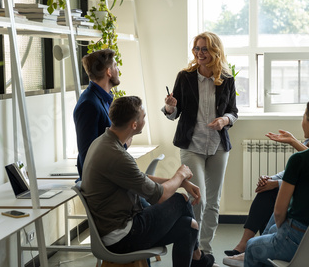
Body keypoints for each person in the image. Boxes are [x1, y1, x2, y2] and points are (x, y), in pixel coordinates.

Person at [81, 96, 215, 267]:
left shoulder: (103, 142)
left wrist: (179, 182)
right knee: (180, 200)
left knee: (188, 226)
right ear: (134, 125)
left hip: (117, 230)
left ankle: (197, 258)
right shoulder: (116, 154)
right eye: (143, 116)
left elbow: (140, 178)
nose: (145, 119)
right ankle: (199, 258)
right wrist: (180, 175)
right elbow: (160, 196)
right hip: (121, 237)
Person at [224, 98, 309, 267]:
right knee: (270, 232)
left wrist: (284, 233)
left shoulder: (299, 160)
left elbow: (279, 212)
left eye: (303, 117)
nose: (302, 122)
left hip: (295, 239)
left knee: (252, 246)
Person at [163, 31, 238, 254]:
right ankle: (194, 249)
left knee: (214, 201)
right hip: (191, 145)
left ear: (215, 51)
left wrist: (224, 120)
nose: (199, 53)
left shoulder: (227, 78)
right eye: (196, 48)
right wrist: (169, 106)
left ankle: (205, 250)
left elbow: (233, 112)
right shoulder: (185, 77)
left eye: (204, 49)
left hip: (218, 146)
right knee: (199, 199)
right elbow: (173, 113)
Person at [74, 49, 121, 180]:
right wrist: (125, 141)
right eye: (115, 66)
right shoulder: (88, 104)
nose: (118, 70)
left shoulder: (104, 100)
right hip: (103, 184)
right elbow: (88, 154)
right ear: (108, 72)